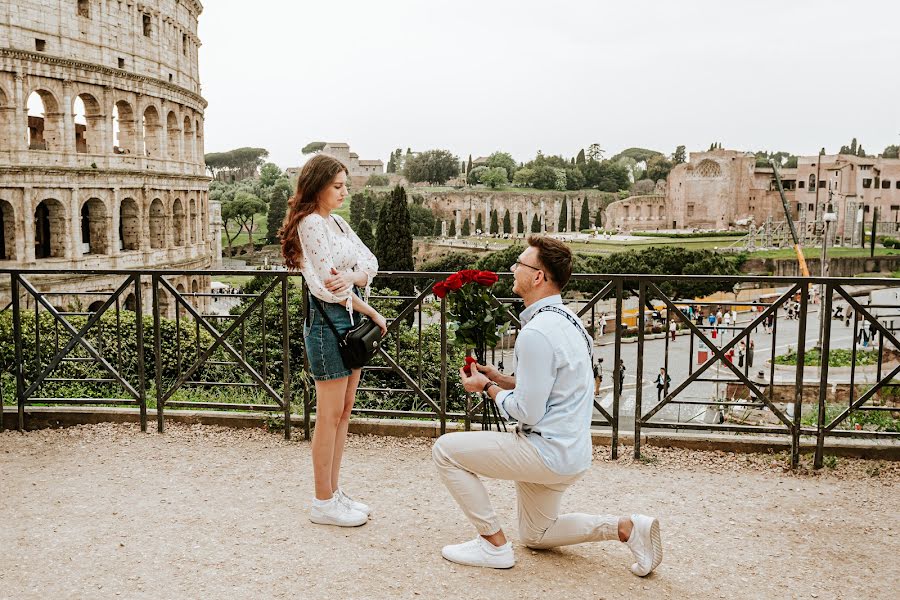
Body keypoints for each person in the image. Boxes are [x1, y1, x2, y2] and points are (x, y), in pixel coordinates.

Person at [432, 236, 663, 574]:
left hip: (545, 452)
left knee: (445, 451)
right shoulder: (570, 322)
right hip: (572, 451)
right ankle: (627, 527)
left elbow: (528, 411)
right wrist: (504, 379)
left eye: (520, 265)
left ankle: (493, 545)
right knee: (536, 535)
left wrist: (488, 387)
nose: (513, 270)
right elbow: (555, 386)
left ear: (538, 276)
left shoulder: (536, 332)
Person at [279, 154, 387, 528]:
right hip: (330, 322)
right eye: (338, 186)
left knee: (344, 412)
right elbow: (325, 286)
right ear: (318, 186)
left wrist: (354, 276)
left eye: (345, 185)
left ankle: (334, 491)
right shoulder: (311, 224)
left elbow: (372, 262)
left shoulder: (337, 222)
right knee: (328, 416)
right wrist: (370, 311)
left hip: (348, 316)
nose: (344, 192)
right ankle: (322, 500)